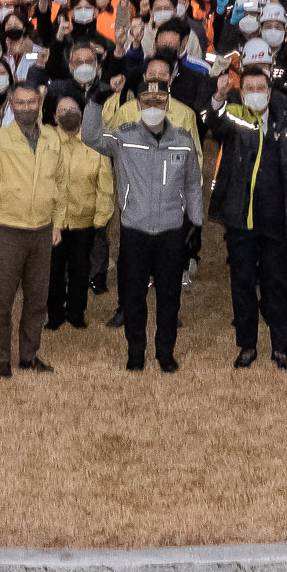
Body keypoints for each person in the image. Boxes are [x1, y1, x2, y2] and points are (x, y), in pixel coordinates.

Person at [82, 80, 205, 372]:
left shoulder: (184, 141)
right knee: (134, 296)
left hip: (171, 232)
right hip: (135, 231)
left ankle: (165, 353)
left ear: (167, 105)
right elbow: (91, 137)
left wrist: (196, 224)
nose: (152, 108)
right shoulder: (123, 137)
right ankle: (135, 353)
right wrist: (94, 104)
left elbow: (192, 185)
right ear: (138, 105)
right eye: (147, 102)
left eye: (158, 102)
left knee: (169, 297)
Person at [204, 62, 287, 370]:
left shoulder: (286, 122)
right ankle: (247, 346)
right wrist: (218, 96)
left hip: (275, 220)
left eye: (259, 88)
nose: (255, 93)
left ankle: (281, 348)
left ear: (269, 91)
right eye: (248, 89)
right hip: (240, 218)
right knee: (242, 283)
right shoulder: (235, 116)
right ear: (242, 91)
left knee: (277, 283)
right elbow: (213, 120)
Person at [0, 76, 67, 378]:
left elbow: (59, 184)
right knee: (3, 299)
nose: (25, 107)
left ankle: (29, 355)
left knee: (37, 298)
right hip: (8, 229)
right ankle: (2, 359)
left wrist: (57, 223)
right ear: (11, 105)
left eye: (31, 102)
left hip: (42, 229)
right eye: (19, 103)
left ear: (39, 103)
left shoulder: (52, 138)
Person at [47, 94, 113, 332]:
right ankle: (54, 314)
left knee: (80, 269)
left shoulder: (95, 142)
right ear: (55, 116)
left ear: (82, 113)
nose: (67, 113)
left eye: (72, 108)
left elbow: (105, 184)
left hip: (84, 221)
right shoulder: (46, 140)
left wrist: (101, 219)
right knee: (53, 271)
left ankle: (76, 312)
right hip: (52, 221)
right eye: (62, 109)